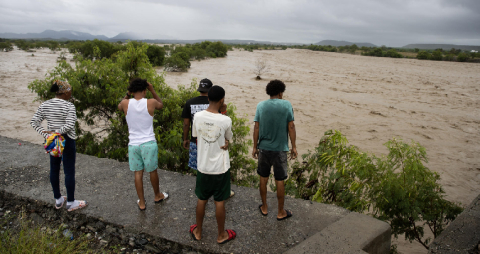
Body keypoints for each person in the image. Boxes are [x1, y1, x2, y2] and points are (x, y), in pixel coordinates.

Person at [189, 85, 236, 244]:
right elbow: (228, 138)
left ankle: (199, 231)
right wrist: (223, 113)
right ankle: (221, 234)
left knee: (202, 199)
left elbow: (196, 136)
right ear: (222, 100)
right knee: (219, 201)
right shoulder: (225, 119)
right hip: (220, 168)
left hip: (203, 166)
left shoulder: (197, 116)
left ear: (208, 98)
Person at [30, 80, 87, 212]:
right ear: (65, 92)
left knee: (54, 169)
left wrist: (46, 134)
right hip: (66, 139)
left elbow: (34, 122)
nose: (71, 93)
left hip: (52, 140)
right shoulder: (69, 106)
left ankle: (58, 199)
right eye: (70, 90)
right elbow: (69, 125)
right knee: (69, 170)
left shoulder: (45, 104)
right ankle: (71, 202)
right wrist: (57, 133)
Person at [118, 78, 169, 211]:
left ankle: (141, 202)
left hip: (133, 144)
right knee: (152, 171)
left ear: (132, 91)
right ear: (145, 91)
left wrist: (127, 94)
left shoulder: (125, 103)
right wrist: (153, 90)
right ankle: (157, 195)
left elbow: (119, 107)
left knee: (138, 173)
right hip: (148, 143)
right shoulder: (151, 102)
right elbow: (161, 104)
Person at [252, 79, 297, 220]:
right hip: (280, 149)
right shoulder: (286, 105)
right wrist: (294, 146)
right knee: (280, 179)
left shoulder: (261, 105)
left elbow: (256, 127)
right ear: (280, 92)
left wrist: (255, 146)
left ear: (269, 92)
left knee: (263, 178)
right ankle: (280, 211)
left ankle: (264, 207)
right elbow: (291, 126)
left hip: (264, 148)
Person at [182, 78, 234, 197]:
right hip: (216, 143)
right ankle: (220, 192)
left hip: (197, 141)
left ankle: (202, 189)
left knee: (200, 167)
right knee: (217, 168)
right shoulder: (217, 104)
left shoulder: (190, 103)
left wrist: (186, 139)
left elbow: (186, 123)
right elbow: (224, 126)